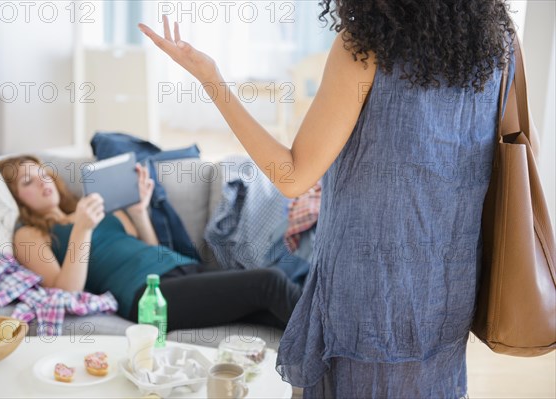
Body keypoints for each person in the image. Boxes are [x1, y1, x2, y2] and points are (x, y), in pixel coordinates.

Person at [138, 0, 517, 397]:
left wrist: (210, 77)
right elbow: (520, 152)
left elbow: (292, 177)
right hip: (447, 295)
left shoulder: (367, 45)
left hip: (370, 298)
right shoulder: (498, 43)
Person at [0, 155, 302, 331]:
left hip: (180, 270)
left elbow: (148, 248)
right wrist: (81, 230)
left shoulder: (86, 207)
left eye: (42, 174)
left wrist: (140, 213)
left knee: (269, 310)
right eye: (28, 182)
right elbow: (64, 292)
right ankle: (339, 337)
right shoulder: (28, 234)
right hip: (145, 296)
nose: (42, 181)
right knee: (269, 283)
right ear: (14, 198)